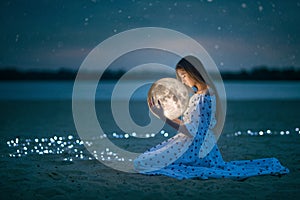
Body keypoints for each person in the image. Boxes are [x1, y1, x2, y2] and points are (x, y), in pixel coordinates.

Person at [133, 56, 289, 180]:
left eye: (184, 76)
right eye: (180, 77)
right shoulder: (200, 95)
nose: (183, 81)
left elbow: (193, 132)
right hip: (194, 144)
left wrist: (164, 118)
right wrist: (164, 116)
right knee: (144, 160)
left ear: (193, 72)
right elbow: (190, 126)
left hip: (195, 149)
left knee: (144, 162)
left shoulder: (204, 97)